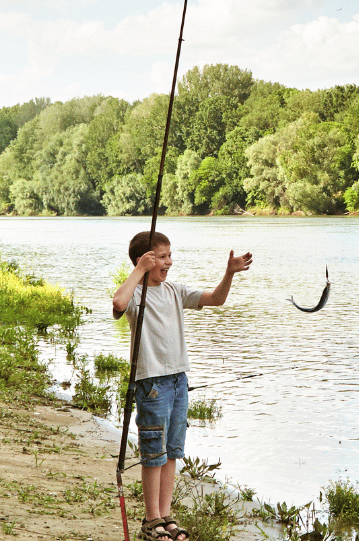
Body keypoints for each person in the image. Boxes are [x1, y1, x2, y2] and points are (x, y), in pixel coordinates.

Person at [111, 231, 252, 541]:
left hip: (178, 380)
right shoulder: (136, 293)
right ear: (144, 260)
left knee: (172, 450)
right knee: (154, 453)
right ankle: (151, 521)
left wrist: (229, 273)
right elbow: (118, 302)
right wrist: (139, 271)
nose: (169, 262)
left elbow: (215, 299)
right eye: (161, 257)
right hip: (151, 384)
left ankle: (165, 514)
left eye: (169, 255)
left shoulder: (174, 291)